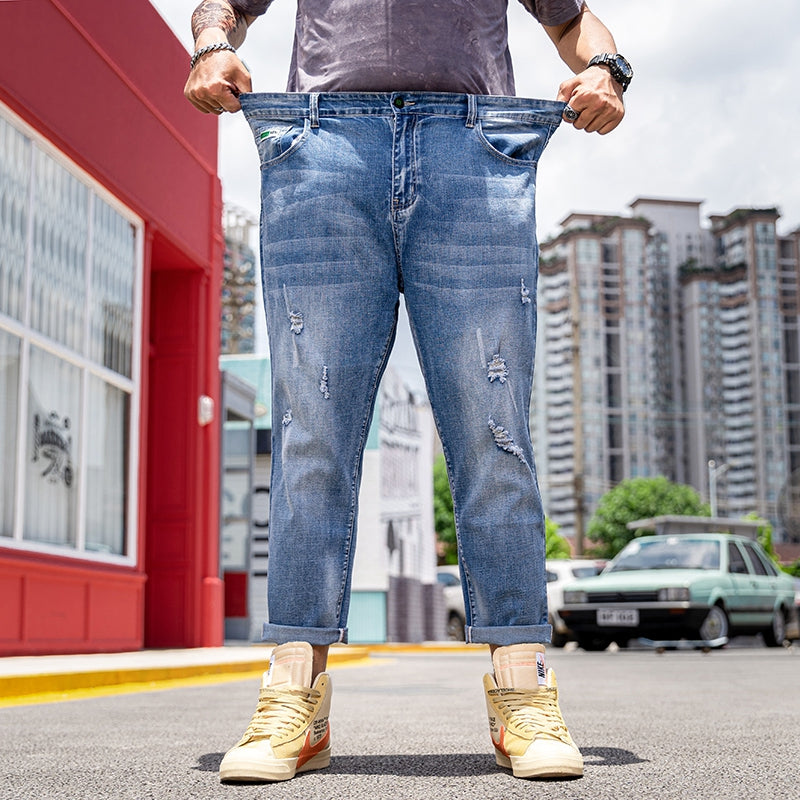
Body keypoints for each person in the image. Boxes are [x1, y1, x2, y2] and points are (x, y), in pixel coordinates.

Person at [185, 0, 630, 784]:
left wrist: (606, 68)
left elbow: (573, 22)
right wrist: (212, 45)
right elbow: (224, 5)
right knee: (309, 432)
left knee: (494, 430)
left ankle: (522, 691)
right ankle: (295, 695)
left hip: (473, 150)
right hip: (321, 147)